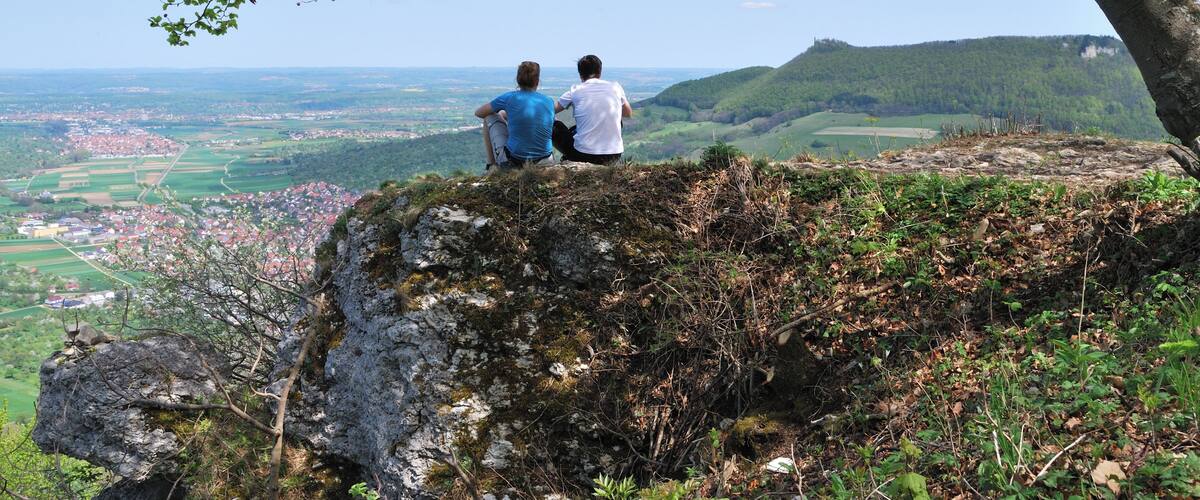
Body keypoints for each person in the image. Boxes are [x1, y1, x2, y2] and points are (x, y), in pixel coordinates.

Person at [553, 55, 633, 166]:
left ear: (580, 75)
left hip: (582, 154)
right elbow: (628, 113)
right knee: (616, 119)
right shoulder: (615, 87)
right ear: (599, 72)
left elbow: (550, 111)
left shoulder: (575, 90)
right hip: (613, 155)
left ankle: (553, 158)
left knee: (553, 125)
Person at [475, 61, 556, 171]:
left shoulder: (509, 97)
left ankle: (491, 165)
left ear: (518, 80)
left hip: (516, 161)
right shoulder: (549, 101)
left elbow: (479, 113)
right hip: (545, 160)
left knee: (489, 117)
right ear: (537, 81)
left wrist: (501, 114)